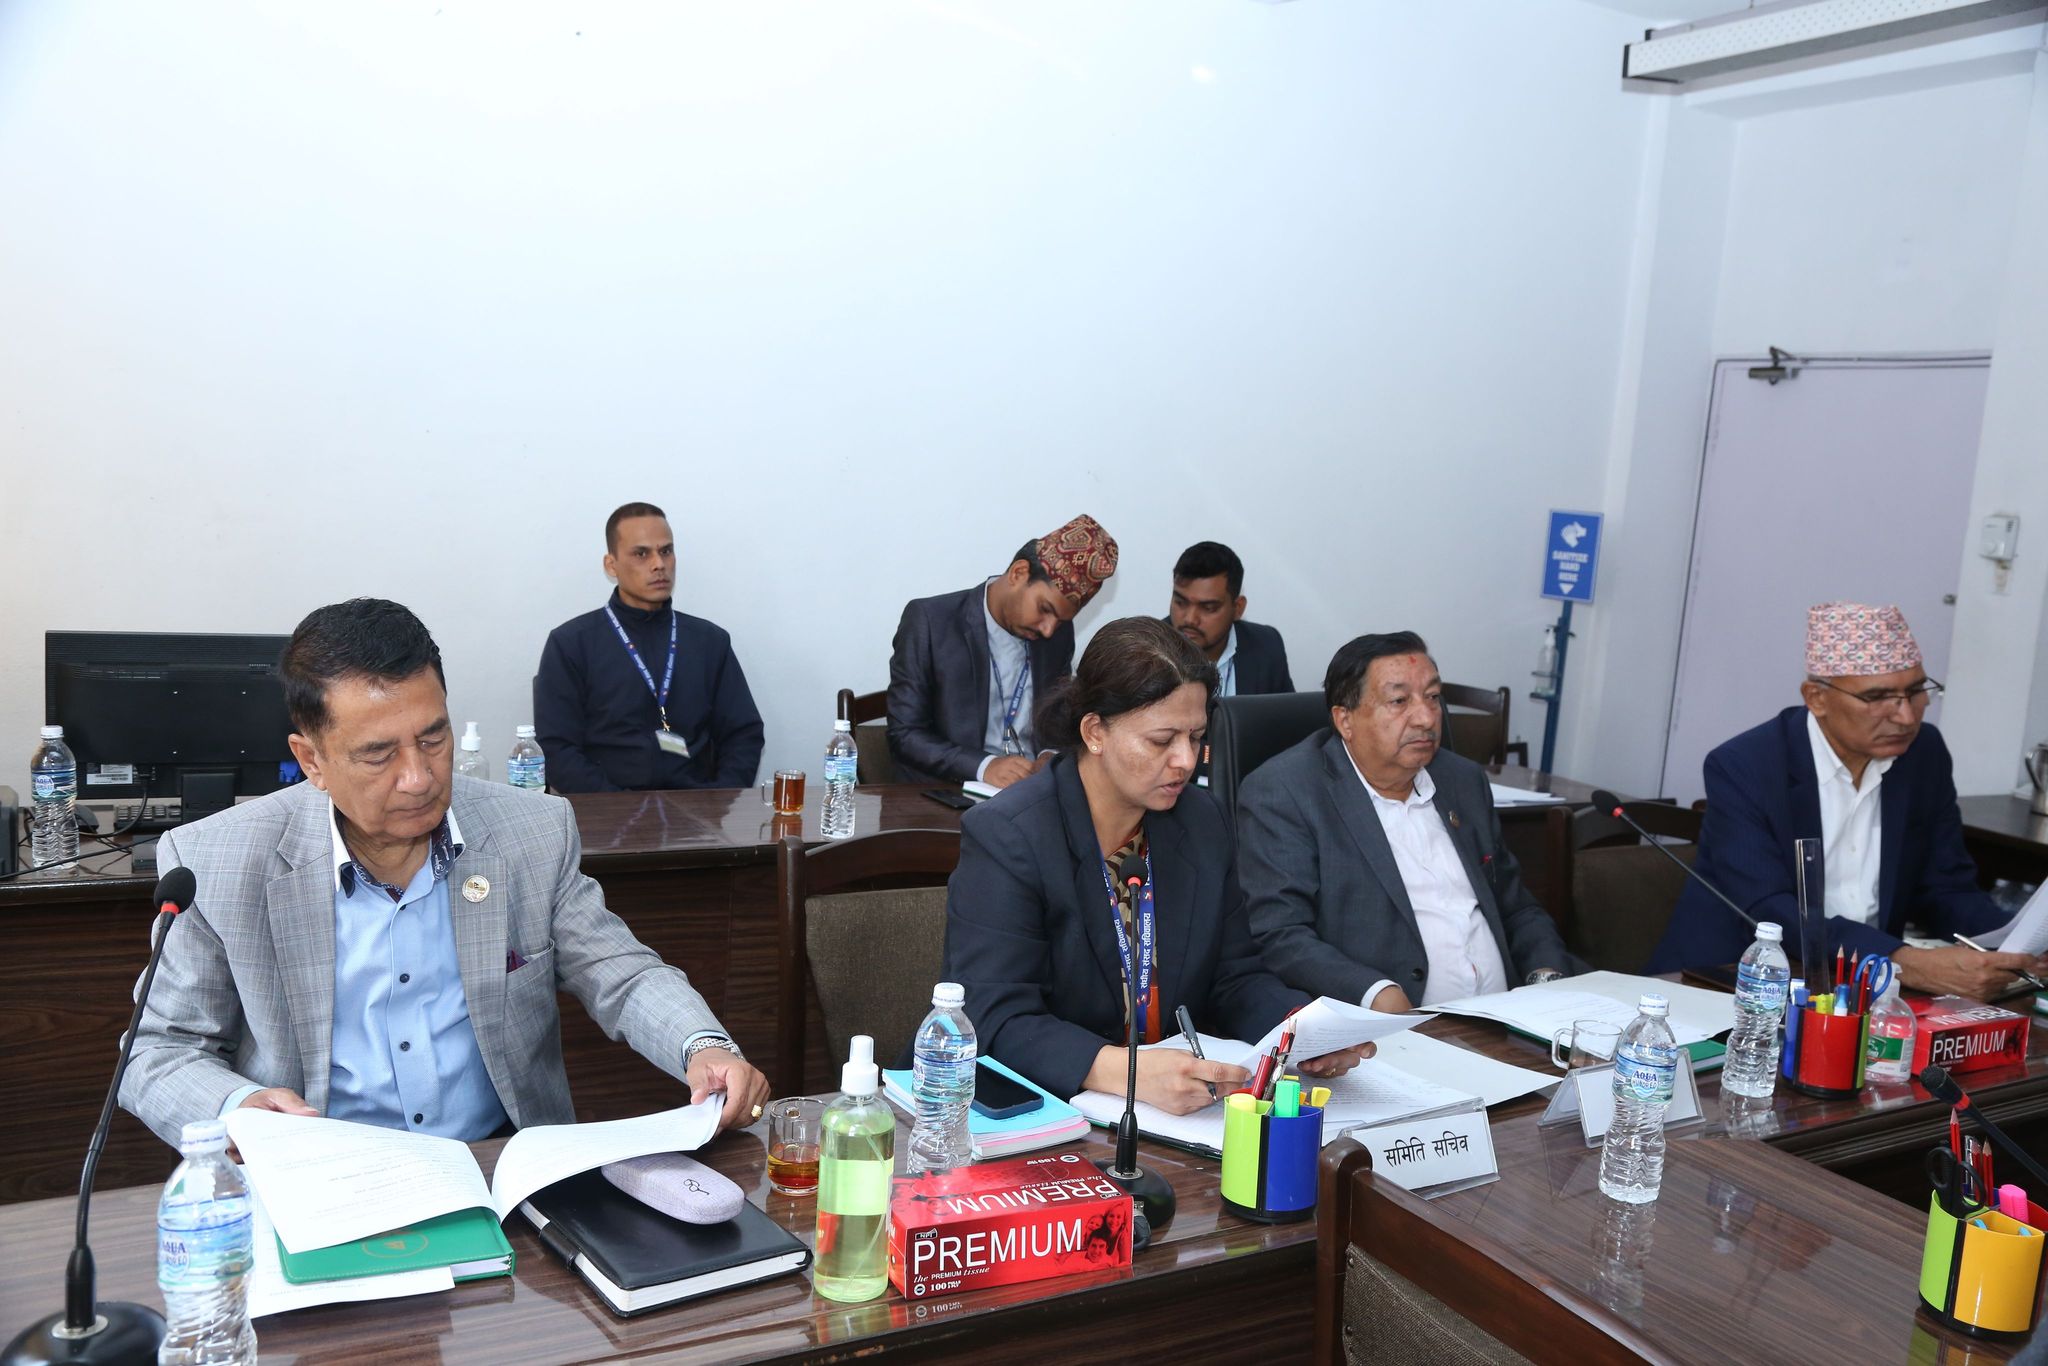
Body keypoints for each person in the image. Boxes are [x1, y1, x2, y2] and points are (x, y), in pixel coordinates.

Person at [120, 598, 772, 1149]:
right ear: (311, 760)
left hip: (499, 1164)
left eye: (433, 738)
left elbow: (622, 976)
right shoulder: (217, 863)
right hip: (321, 1173)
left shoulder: (530, 832)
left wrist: (702, 1046)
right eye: (378, 754)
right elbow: (157, 1055)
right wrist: (240, 1108)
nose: (419, 777)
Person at [942, 617, 1371, 1115]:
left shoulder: (1201, 821)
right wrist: (1128, 1071)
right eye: (1162, 740)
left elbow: (1233, 977)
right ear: (1095, 732)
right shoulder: (1010, 835)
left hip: (1170, 1111)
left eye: (1196, 737)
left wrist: (1300, 1029)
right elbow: (992, 1017)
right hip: (1036, 1111)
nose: (1186, 760)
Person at [1648, 603, 2043, 997]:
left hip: (1864, 989)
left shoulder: (1923, 753)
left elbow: (1945, 887)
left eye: (1916, 691)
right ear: (1816, 698)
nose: (1906, 717)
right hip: (1734, 982)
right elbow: (1771, 910)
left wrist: (2019, 948)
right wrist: (1903, 961)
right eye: (1878, 697)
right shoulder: (1745, 766)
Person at [1239, 632, 1573, 1012]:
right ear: (1345, 720)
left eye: (1432, 697)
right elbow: (1281, 934)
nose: (1427, 717)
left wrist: (1546, 978)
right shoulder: (1286, 792)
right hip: (1397, 1026)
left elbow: (1516, 907)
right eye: (1399, 701)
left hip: (1510, 1014)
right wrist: (1374, 992)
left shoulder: (1463, 780)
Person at [535, 501, 764, 792]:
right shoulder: (571, 644)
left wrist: (717, 802)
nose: (659, 564)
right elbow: (557, 750)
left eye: (666, 551)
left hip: (697, 811)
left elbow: (744, 735)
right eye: (641, 553)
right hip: (606, 811)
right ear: (611, 565)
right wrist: (617, 809)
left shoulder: (709, 641)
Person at [887, 513, 1119, 788]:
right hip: (948, 791)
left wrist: (1049, 756)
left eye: (1060, 620)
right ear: (1018, 573)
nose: (1048, 630)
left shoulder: (1058, 634)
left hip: (1029, 793)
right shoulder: (930, 622)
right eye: (1045, 609)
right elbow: (905, 734)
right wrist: (985, 766)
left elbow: (1057, 719)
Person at [1167, 541, 1293, 696]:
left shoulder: (1267, 645)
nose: (1190, 619)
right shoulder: (1146, 652)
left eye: (1208, 608)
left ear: (1238, 608)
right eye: (1180, 603)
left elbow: (1288, 711)